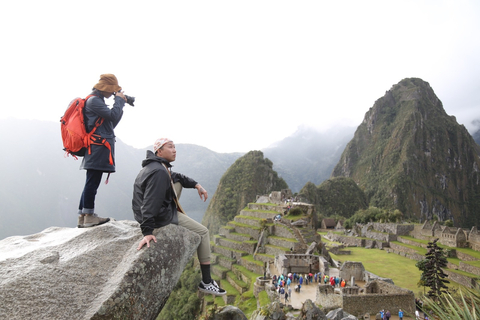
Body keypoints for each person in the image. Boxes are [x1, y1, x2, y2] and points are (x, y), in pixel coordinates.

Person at [132, 138, 226, 296]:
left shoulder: (158, 166)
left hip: (150, 210)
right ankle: (207, 282)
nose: (174, 150)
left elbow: (178, 177)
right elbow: (149, 204)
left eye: (175, 147)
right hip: (159, 216)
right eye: (170, 147)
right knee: (203, 232)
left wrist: (197, 185)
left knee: (178, 182)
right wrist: (147, 231)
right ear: (159, 151)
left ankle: (172, 211)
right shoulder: (159, 172)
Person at [77, 74, 127, 228]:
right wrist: (119, 101)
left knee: (90, 181)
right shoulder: (94, 101)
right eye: (112, 91)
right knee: (92, 181)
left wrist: (120, 103)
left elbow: (110, 124)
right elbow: (113, 115)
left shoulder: (94, 101)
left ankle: (83, 215)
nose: (112, 93)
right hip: (98, 147)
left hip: (97, 146)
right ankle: (89, 216)